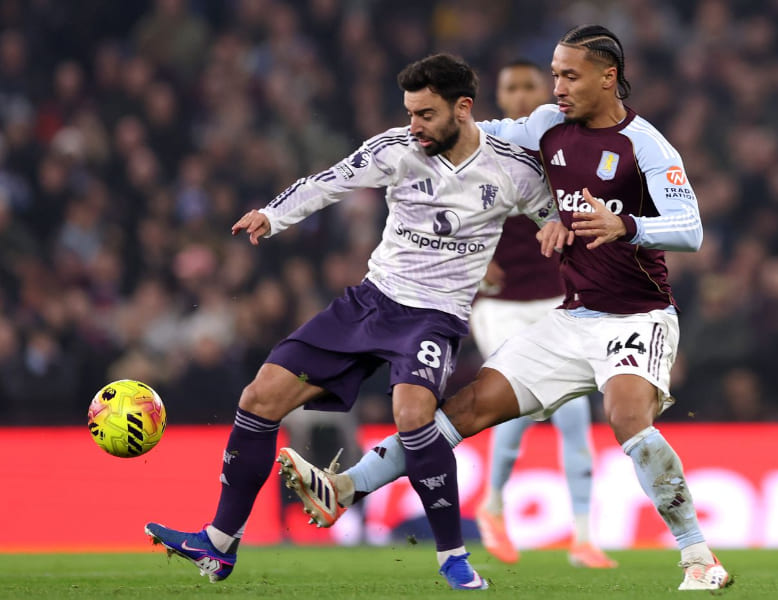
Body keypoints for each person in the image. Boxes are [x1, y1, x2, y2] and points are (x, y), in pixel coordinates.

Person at [280, 26, 731, 591]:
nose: (557, 86)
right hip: (571, 318)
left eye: (570, 75)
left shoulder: (647, 145)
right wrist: (423, 129)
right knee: (463, 410)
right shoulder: (545, 125)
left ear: (608, 77)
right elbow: (473, 134)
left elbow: (690, 229)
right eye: (555, 74)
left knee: (625, 416)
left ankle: (699, 558)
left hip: (638, 316)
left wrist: (625, 224)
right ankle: (345, 489)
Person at [144, 53, 567, 591]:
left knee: (412, 414)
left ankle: (453, 557)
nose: (414, 126)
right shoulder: (396, 148)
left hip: (434, 317)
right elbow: (328, 182)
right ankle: (220, 543)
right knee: (259, 398)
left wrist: (558, 232)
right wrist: (273, 215)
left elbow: (557, 217)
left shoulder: (511, 168)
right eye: (410, 113)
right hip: (370, 303)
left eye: (426, 114)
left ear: (463, 108)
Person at [471, 59, 616, 569]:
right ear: (500, 96)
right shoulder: (482, 151)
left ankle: (583, 537)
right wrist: (476, 257)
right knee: (524, 399)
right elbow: (449, 214)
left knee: (573, 412)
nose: (520, 95)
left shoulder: (564, 148)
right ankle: (493, 504)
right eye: (510, 87)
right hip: (499, 305)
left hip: (556, 299)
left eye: (528, 86)